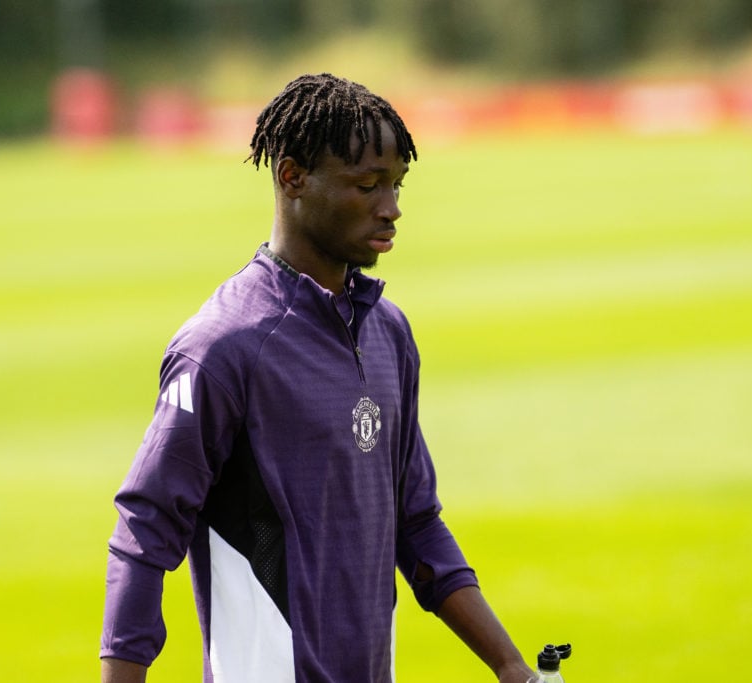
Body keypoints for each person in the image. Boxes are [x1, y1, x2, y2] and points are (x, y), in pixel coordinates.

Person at [100, 73, 535, 683]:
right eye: (367, 185)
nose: (392, 206)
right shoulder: (223, 346)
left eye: (396, 184)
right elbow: (145, 533)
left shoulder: (388, 332)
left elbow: (416, 522)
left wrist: (512, 666)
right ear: (292, 176)